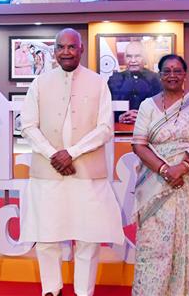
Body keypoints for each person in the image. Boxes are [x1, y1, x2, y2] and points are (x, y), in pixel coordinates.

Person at [19, 28, 124, 296]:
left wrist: (72, 152)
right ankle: (50, 290)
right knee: (46, 235)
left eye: (71, 47)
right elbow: (28, 125)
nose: (66, 51)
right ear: (54, 51)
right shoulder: (39, 83)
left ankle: (83, 292)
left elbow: (104, 128)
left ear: (80, 49)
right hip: (47, 171)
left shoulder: (98, 82)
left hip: (86, 172)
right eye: (60, 47)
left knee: (88, 237)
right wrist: (54, 154)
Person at [130, 54, 189, 295]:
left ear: (185, 74)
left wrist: (183, 167)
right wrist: (164, 169)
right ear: (160, 75)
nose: (172, 75)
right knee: (154, 248)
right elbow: (139, 144)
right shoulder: (148, 106)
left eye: (177, 70)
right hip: (156, 185)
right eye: (167, 70)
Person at [107, 41, 162, 124]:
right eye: (129, 56)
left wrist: (145, 118)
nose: (133, 60)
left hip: (149, 130)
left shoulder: (157, 80)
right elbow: (104, 110)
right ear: (125, 58)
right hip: (120, 129)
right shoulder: (113, 80)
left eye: (137, 56)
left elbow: (165, 111)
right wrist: (119, 117)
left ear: (145, 58)